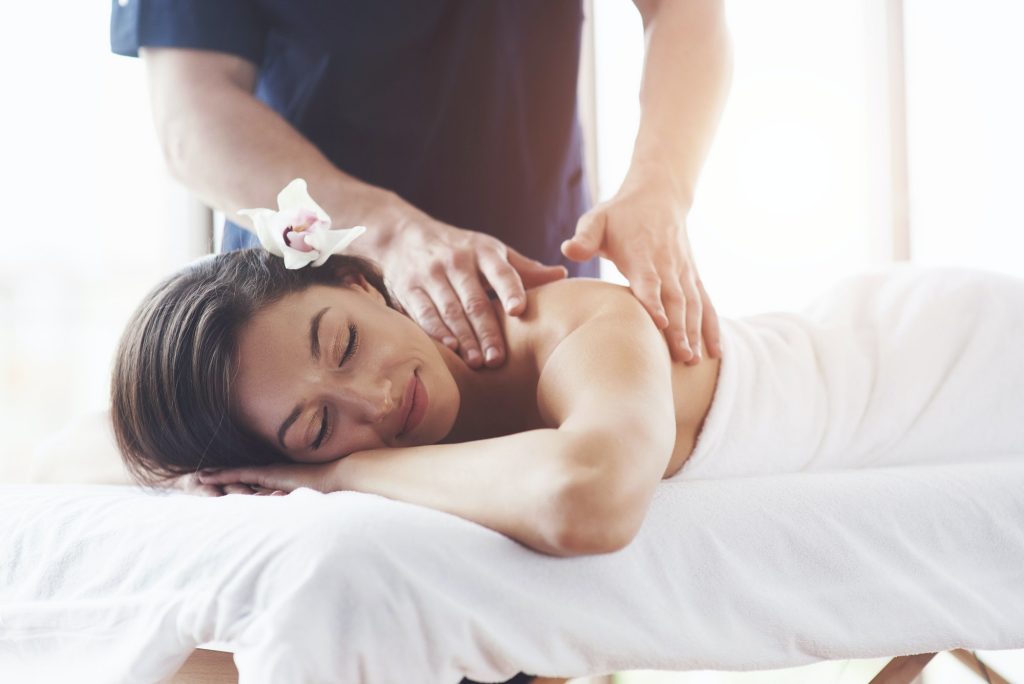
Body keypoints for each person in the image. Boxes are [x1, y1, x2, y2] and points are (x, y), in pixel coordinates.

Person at [111, 240, 1024, 558]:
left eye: (343, 344)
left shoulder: (564, 322)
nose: (375, 399)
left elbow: (587, 497)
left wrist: (343, 467)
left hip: (950, 355)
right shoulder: (417, 453)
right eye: (315, 422)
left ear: (360, 282)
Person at [110, 0, 733, 371]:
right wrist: (386, 233)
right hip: (307, 326)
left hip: (529, 291)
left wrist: (661, 185)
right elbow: (191, 116)